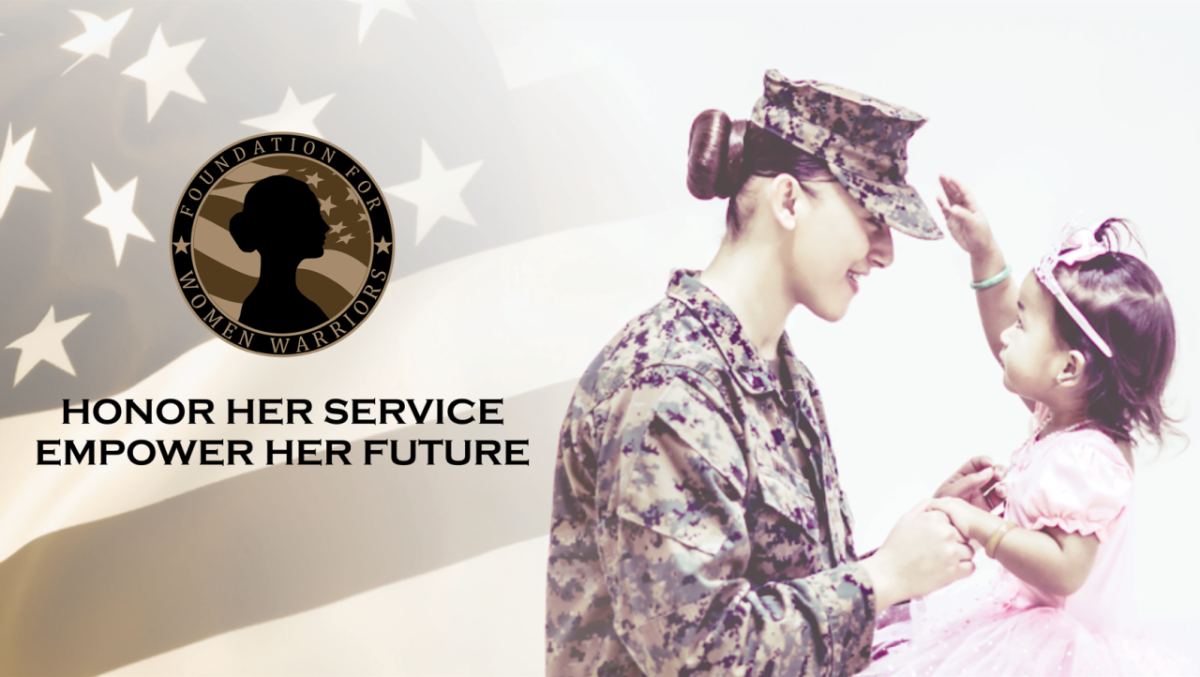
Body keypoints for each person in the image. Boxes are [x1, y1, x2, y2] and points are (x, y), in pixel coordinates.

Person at [545, 70, 990, 677]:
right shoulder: (670, 385)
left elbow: (773, 605)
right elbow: (696, 652)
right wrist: (879, 579)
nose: (885, 252)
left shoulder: (783, 376)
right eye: (871, 217)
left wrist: (907, 559)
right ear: (787, 200)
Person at [862, 177, 1191, 675]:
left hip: (1057, 653)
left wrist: (983, 526)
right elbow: (1005, 345)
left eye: (1024, 323)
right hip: (1024, 630)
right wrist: (983, 252)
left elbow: (1064, 570)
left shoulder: (1087, 457)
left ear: (1068, 369)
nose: (1008, 336)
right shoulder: (1061, 418)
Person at [228, 174, 330, 333]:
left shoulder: (266, 305)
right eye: (313, 217)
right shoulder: (284, 311)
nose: (325, 227)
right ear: (283, 227)